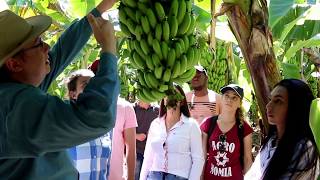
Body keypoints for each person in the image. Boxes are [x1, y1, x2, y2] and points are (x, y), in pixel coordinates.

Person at [0, 0, 119, 178]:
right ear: (14, 64)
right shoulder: (13, 107)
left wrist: (100, 9)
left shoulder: (19, 82)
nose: (47, 47)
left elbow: (63, 50)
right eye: (38, 42)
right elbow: (97, 117)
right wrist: (109, 51)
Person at [245, 79, 320, 179]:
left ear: (296, 107)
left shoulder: (305, 149)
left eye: (278, 101)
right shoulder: (271, 141)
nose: (268, 106)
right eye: (270, 99)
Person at [140, 84, 204, 180]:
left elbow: (198, 159)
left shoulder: (191, 125)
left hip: (179, 176)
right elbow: (148, 157)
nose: (171, 98)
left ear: (182, 102)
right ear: (163, 100)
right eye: (167, 95)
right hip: (154, 175)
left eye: (175, 95)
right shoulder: (155, 124)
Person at [90, 60, 138, 180]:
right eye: (97, 75)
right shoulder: (85, 106)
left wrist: (130, 178)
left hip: (115, 176)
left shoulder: (125, 107)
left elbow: (131, 149)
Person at [67, 69, 113, 180]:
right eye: (85, 85)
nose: (93, 90)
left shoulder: (105, 127)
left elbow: (106, 169)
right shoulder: (65, 126)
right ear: (73, 94)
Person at [201, 84, 253, 180]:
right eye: (227, 96)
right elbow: (202, 156)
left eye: (234, 98)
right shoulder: (208, 123)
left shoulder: (244, 128)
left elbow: (247, 159)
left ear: (239, 104)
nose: (229, 100)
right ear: (221, 98)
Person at [134, 100, 159, 180]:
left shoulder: (156, 110)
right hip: (136, 151)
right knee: (136, 176)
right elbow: (123, 130)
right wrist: (137, 136)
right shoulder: (132, 109)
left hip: (152, 153)